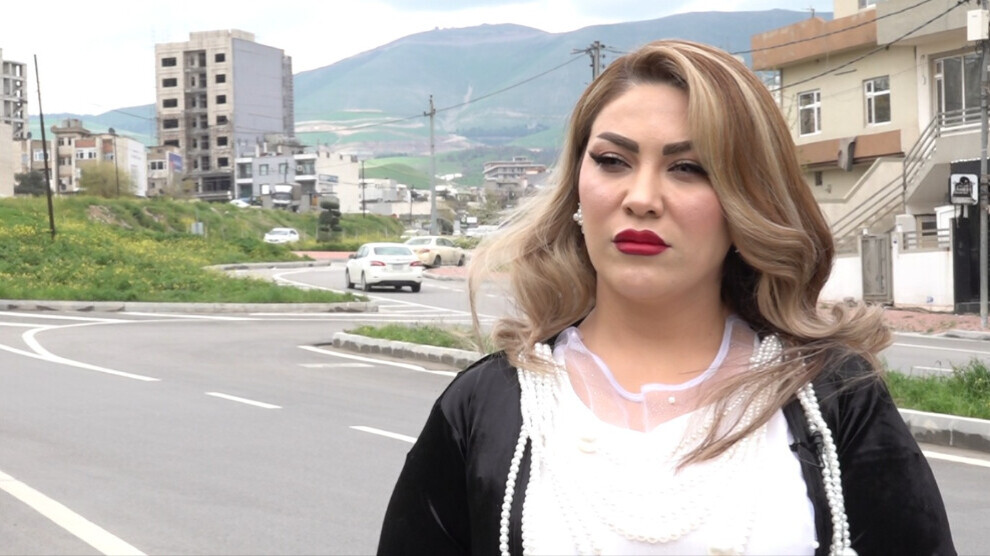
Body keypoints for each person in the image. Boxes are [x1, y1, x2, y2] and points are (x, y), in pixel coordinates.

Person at [377, 39, 955, 556]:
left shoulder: (832, 398)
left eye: (688, 167)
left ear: (747, 199)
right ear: (576, 185)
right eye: (612, 161)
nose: (642, 197)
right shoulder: (485, 407)